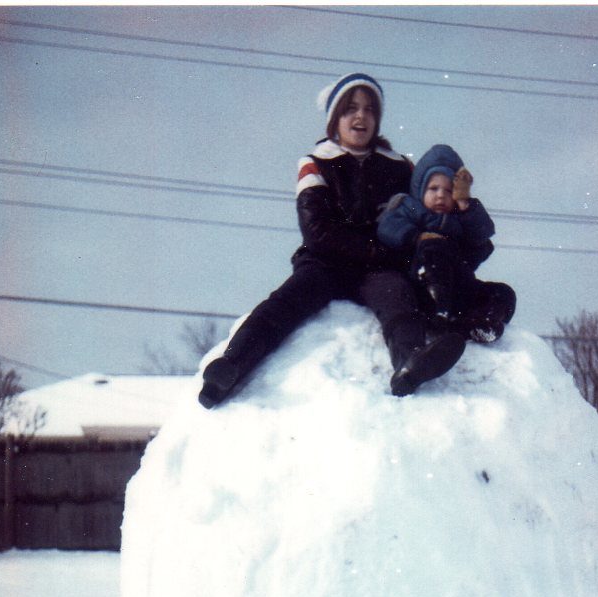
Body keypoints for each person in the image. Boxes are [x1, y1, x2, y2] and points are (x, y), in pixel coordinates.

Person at [198, 74, 467, 408]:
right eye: (350, 109)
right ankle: (231, 366)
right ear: (334, 119)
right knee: (286, 302)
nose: (360, 116)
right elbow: (317, 231)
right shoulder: (317, 163)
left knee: (397, 299)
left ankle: (410, 363)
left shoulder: (400, 168)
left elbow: (422, 213)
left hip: (379, 269)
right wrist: (376, 250)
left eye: (369, 110)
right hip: (327, 262)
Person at [377, 144, 516, 344]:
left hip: (459, 289)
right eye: (433, 188)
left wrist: (465, 204)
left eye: (449, 190)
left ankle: (481, 324)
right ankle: (439, 316)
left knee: (503, 292)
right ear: (420, 190)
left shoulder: (460, 220)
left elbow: (483, 235)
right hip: (423, 287)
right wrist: (416, 237)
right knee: (435, 246)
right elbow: (388, 227)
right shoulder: (410, 208)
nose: (441, 195)